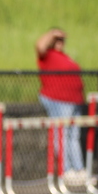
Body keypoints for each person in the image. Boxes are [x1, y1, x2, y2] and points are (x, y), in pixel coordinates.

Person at [36, 27, 86, 182]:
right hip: (58, 99)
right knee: (62, 134)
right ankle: (66, 170)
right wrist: (52, 33)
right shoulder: (47, 55)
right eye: (57, 40)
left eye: (62, 39)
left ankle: (78, 169)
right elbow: (39, 45)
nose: (61, 42)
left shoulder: (64, 56)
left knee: (73, 136)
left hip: (74, 101)